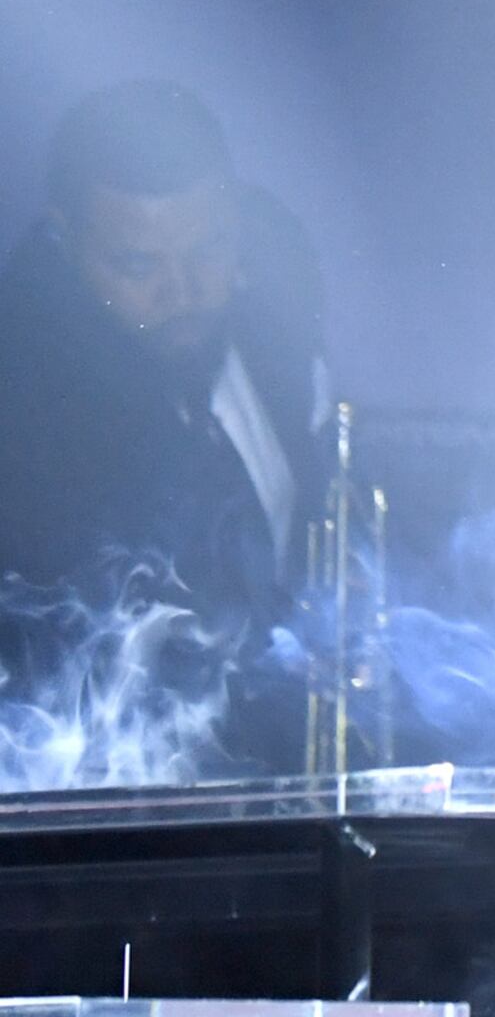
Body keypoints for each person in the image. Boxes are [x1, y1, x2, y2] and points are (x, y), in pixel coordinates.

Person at [0, 81, 332, 771]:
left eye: (208, 250)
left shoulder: (280, 304)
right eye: (138, 265)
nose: (183, 292)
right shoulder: (26, 412)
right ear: (65, 241)